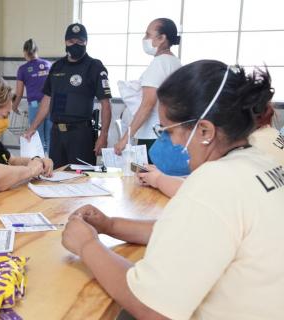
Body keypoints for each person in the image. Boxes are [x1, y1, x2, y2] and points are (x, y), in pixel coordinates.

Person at [62, 60, 284, 319]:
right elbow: (186, 231)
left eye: (168, 130)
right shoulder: (258, 161)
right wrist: (110, 225)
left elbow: (153, 309)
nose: (169, 140)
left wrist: (87, 245)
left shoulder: (216, 181)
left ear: (204, 130)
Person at [139, 103, 284, 197]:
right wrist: (164, 176)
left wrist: (158, 179)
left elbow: (198, 193)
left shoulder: (250, 147)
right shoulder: (270, 135)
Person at [23, 23, 112, 168]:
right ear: (65, 42)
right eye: (71, 41)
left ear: (86, 42)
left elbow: (106, 103)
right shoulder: (57, 67)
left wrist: (104, 135)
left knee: (82, 179)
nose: (75, 45)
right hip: (57, 134)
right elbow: (47, 100)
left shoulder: (94, 67)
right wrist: (33, 127)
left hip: (81, 134)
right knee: (56, 175)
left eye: (80, 41)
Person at [114, 18, 181, 161]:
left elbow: (147, 105)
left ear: (162, 38)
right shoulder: (175, 62)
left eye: (148, 35)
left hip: (152, 136)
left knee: (146, 180)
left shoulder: (159, 64)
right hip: (167, 134)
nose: (144, 39)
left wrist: (125, 138)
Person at [12, 39, 52, 153]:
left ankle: (40, 167)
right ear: (36, 51)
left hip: (35, 107)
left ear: (25, 52)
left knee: (37, 138)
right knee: (50, 139)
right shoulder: (48, 65)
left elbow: (19, 93)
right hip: (50, 105)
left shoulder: (23, 69)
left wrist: (14, 107)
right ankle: (51, 165)